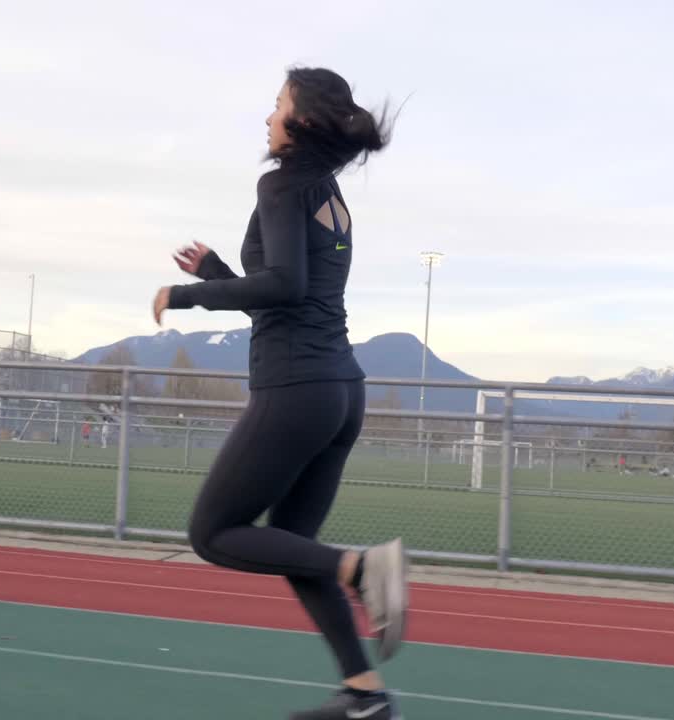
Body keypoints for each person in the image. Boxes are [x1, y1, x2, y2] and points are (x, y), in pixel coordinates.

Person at [152, 67, 407, 720]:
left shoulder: (281, 183)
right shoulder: (327, 195)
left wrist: (188, 295)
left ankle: (361, 569)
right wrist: (216, 272)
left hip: (298, 386)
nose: (267, 118)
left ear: (300, 123)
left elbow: (283, 287)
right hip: (338, 390)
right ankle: (364, 694)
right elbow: (284, 290)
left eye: (276, 106)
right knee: (296, 548)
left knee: (213, 533)